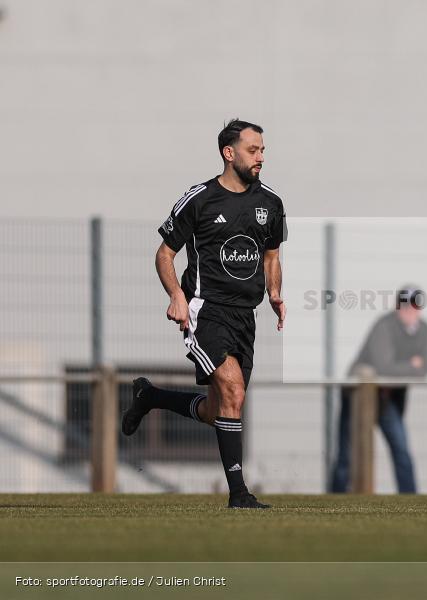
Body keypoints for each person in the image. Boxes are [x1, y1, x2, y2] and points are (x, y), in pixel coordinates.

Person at [121, 119, 286, 509]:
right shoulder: (199, 199)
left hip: (244, 317)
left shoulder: (271, 203)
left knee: (219, 409)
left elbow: (271, 256)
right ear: (229, 153)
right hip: (204, 311)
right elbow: (165, 255)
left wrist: (275, 292)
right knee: (233, 390)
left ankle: (150, 396)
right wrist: (177, 296)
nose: (261, 157)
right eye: (253, 150)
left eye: (263, 150)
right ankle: (239, 494)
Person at [330, 287, 427, 494]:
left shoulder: (423, 329)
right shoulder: (384, 325)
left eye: (415, 306)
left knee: (401, 450)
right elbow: (383, 367)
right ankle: (335, 497)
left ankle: (411, 500)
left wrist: (406, 368)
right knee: (347, 454)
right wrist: (412, 365)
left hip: (388, 398)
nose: (410, 311)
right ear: (398, 307)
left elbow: (425, 368)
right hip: (359, 396)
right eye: (406, 305)